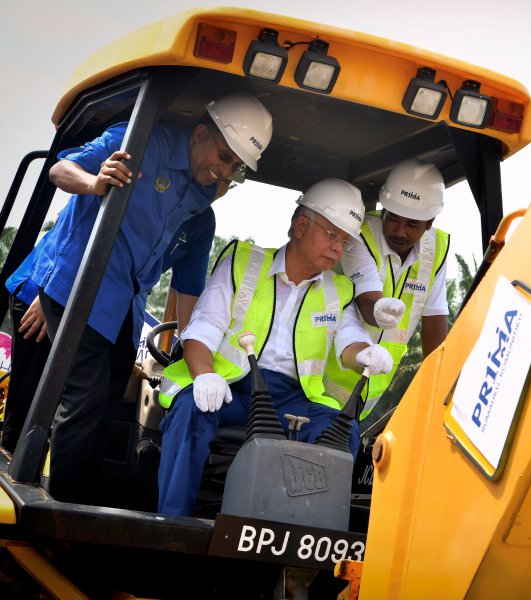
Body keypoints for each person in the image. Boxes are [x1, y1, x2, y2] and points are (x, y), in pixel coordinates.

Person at [3, 93, 273, 504]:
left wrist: (192, 364)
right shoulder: (143, 141)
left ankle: (86, 505)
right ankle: (60, 516)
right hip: (77, 289)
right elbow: (61, 168)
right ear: (200, 132)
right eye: (224, 156)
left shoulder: (202, 210)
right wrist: (95, 183)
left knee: (107, 411)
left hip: (123, 312)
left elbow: (188, 296)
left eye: (234, 167)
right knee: (81, 403)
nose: (225, 171)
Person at [156, 179, 395, 517]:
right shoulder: (242, 262)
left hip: (292, 400)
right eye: (331, 234)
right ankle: (172, 525)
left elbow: (348, 341)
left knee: (343, 433)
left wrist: (365, 353)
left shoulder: (339, 290)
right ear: (300, 226)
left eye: (344, 240)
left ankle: (304, 539)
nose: (338, 249)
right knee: (191, 411)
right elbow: (203, 328)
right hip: (233, 388)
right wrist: (205, 375)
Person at [1, 178, 236, 454]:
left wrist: (189, 354)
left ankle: (71, 487)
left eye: (227, 180)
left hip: (111, 311)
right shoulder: (152, 185)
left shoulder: (201, 223)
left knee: (96, 411)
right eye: (217, 173)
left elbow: (188, 295)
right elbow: (78, 227)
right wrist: (52, 292)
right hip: (52, 291)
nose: (218, 183)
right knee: (31, 407)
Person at [323, 158, 450, 420]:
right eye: (392, 218)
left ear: (429, 222)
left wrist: (439, 382)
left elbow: (435, 318)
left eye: (412, 224)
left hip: (370, 394)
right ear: (383, 210)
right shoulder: (359, 236)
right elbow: (369, 305)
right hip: (320, 382)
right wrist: (378, 310)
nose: (398, 231)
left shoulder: (437, 249)